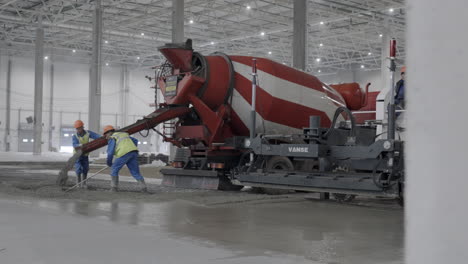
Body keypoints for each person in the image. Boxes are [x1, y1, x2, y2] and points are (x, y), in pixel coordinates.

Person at [103, 125, 147, 192]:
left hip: (124, 153)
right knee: (135, 172)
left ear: (109, 132)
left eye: (106, 135)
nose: (106, 137)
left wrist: (109, 162)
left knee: (114, 169)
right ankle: (143, 188)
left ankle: (114, 188)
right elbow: (135, 140)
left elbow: (110, 153)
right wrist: (130, 148)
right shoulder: (123, 134)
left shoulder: (112, 138)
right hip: (133, 152)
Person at [72, 120, 101, 188]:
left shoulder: (88, 133)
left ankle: (84, 183)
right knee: (78, 169)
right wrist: (81, 145)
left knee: (85, 168)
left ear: (82, 127)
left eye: (79, 128)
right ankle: (78, 184)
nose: (78, 130)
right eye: (77, 128)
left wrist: (103, 137)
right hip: (77, 155)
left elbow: (97, 136)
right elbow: (74, 144)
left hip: (85, 155)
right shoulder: (75, 136)